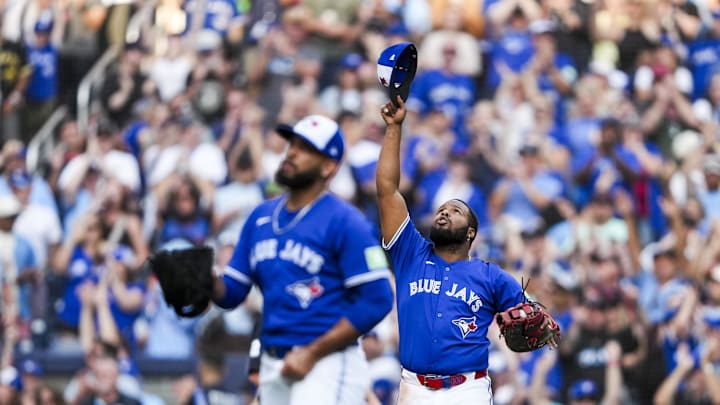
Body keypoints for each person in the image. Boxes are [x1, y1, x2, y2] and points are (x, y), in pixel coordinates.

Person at [208, 114, 395, 405]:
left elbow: (379, 298)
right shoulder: (260, 218)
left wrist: (313, 352)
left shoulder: (346, 221)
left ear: (328, 166)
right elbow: (232, 292)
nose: (292, 152)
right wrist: (207, 282)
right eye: (292, 144)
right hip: (273, 360)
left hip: (327, 363)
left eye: (306, 148)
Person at [377, 96, 541, 404]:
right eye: (442, 208)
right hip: (413, 387)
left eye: (454, 210)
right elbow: (387, 190)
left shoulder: (489, 274)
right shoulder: (410, 251)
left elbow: (535, 317)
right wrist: (394, 128)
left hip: (467, 390)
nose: (443, 212)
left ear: (470, 232)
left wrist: (530, 317)